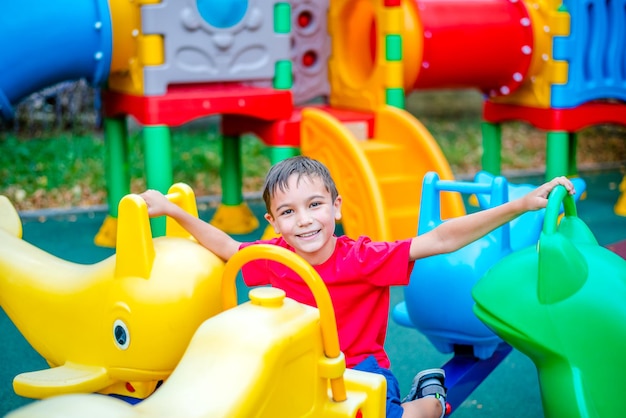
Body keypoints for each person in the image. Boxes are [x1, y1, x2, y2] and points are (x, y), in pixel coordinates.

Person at [140, 156, 575, 418]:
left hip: (358, 366)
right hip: (300, 367)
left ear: (335, 206)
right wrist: (174, 213)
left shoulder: (362, 257)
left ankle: (429, 399)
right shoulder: (274, 257)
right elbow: (229, 247)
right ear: (273, 224)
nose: (305, 220)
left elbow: (441, 238)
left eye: (314, 205)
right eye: (288, 212)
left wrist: (517, 205)